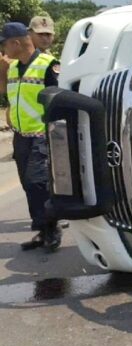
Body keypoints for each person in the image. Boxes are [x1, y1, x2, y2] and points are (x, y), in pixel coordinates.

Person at [0, 22, 62, 252]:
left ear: (16, 42)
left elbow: (60, 98)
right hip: (21, 136)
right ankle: (42, 231)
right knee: (28, 184)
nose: (3, 49)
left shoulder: (49, 65)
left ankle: (52, 228)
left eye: (4, 44)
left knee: (38, 182)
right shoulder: (14, 67)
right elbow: (7, 94)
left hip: (41, 135)